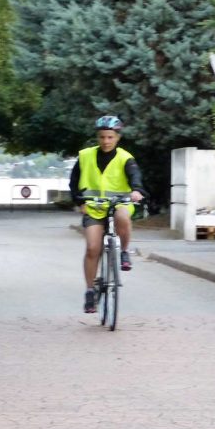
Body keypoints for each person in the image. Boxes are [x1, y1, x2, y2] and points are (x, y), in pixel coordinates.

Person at [69, 115, 147, 314]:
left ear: (117, 138)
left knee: (122, 216)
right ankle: (89, 292)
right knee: (92, 248)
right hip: (93, 208)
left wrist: (136, 191)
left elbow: (135, 177)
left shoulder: (125, 158)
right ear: (98, 137)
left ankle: (124, 253)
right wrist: (79, 203)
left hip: (118, 204)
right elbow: (74, 181)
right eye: (102, 137)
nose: (106, 141)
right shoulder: (85, 156)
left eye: (110, 137)